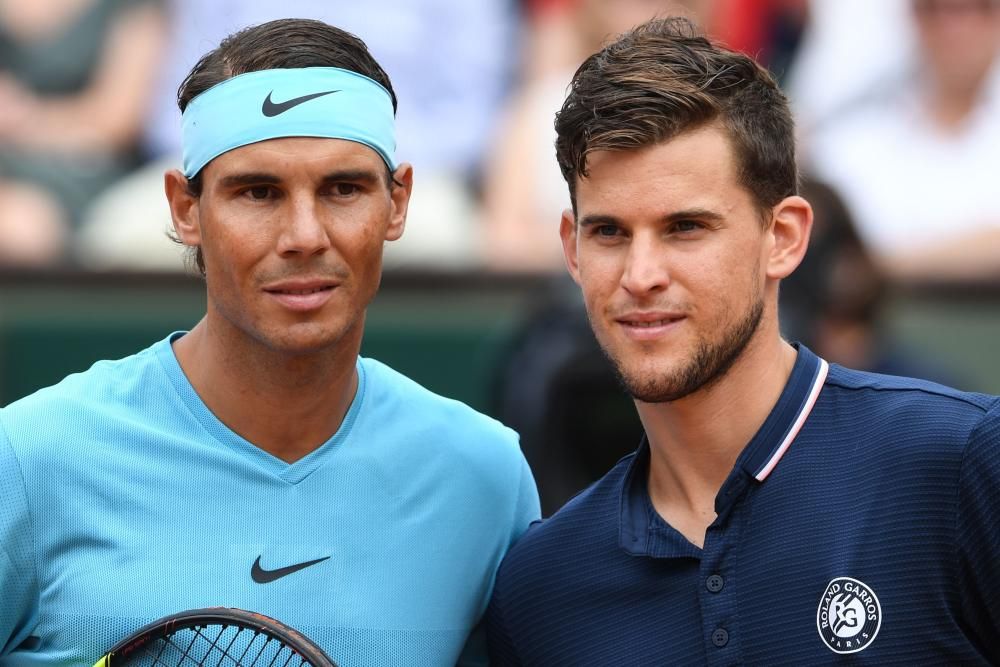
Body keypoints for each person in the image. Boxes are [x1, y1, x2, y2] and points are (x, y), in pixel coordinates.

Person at [0, 18, 539, 666]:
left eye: (343, 188)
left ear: (398, 204)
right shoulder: (26, 461)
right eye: (258, 192)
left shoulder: (485, 478)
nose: (304, 235)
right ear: (184, 209)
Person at [486, 17, 999, 665]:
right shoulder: (539, 586)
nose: (641, 275)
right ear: (572, 248)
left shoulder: (961, 463)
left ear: (782, 237)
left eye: (685, 227)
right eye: (610, 232)